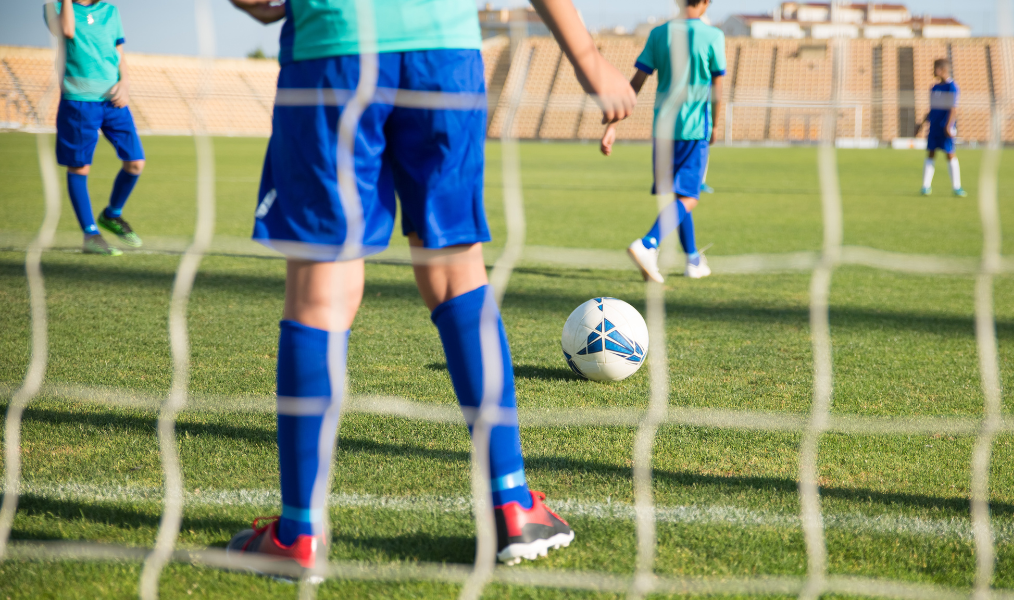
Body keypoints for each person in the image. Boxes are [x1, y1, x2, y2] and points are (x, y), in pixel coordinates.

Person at [226, 0, 636, 570]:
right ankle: (513, 505)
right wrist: (587, 58)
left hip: (334, 47)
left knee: (322, 291)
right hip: (443, 51)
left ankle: (299, 534)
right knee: (457, 274)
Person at [599, 0, 725, 282]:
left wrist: (613, 124)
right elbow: (717, 88)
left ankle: (693, 259)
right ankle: (647, 244)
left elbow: (636, 83)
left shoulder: (659, 34)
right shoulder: (713, 36)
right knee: (689, 197)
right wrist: (716, 124)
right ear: (705, 3)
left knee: (677, 196)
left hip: (663, 129)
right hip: (694, 129)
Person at [46, 0, 145, 256]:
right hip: (79, 102)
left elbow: (119, 52)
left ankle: (112, 215)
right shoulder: (55, 7)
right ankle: (91, 234)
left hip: (113, 99)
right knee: (80, 168)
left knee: (136, 163)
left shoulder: (110, 11)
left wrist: (125, 82)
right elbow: (66, 30)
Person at [916, 58, 966, 197]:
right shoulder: (934, 87)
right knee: (931, 153)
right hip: (934, 127)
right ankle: (926, 186)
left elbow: (954, 109)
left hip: (945, 127)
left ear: (942, 69)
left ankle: (957, 187)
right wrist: (921, 123)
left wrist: (949, 126)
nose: (933, 71)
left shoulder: (952, 87)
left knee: (950, 154)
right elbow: (932, 109)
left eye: (935, 68)